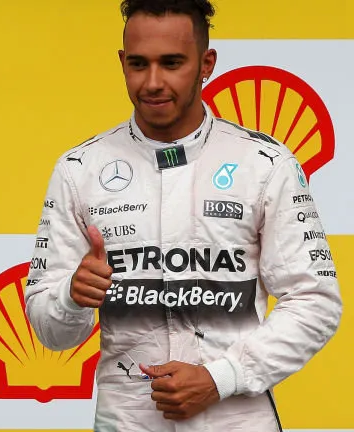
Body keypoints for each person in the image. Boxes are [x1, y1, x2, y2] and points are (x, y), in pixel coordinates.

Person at [24, 0, 342, 430]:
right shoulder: (79, 170)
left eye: (172, 63)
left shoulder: (265, 164)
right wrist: (70, 296)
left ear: (206, 63)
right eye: (138, 64)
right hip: (127, 421)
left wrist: (220, 378)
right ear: (122, 62)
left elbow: (316, 301)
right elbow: (51, 334)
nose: (153, 82)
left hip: (236, 420)